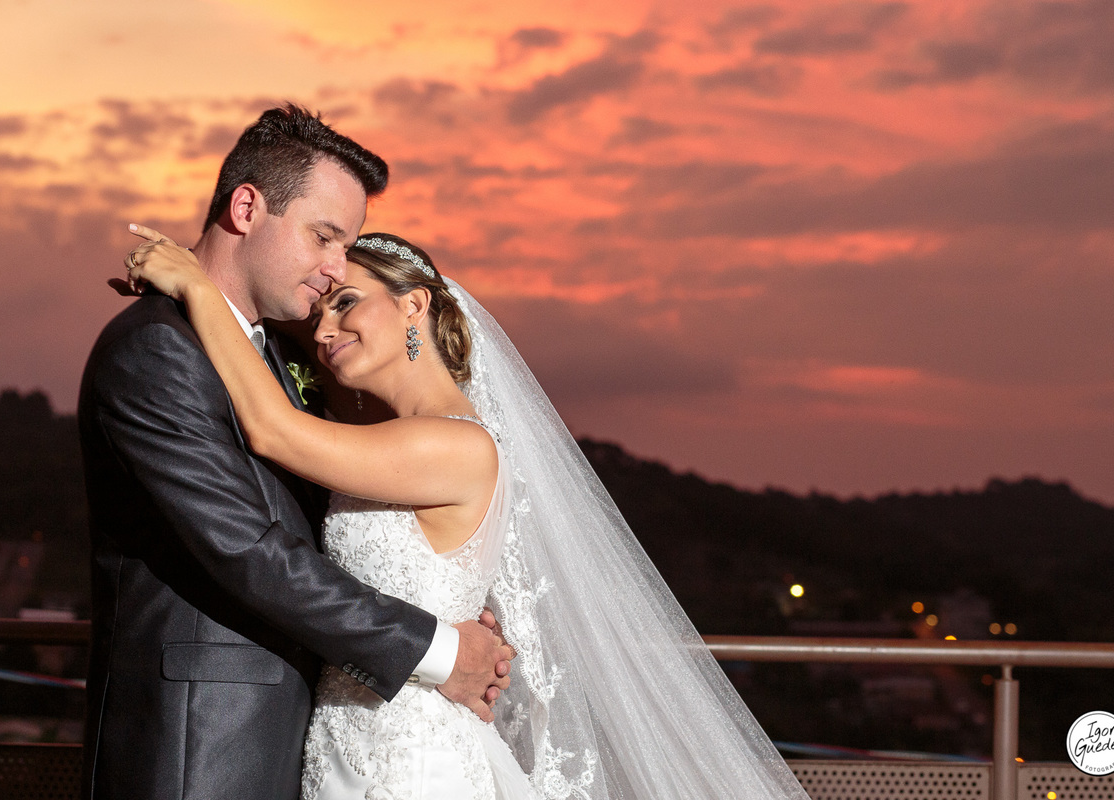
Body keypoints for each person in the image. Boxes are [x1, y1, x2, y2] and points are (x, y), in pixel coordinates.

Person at [122, 226, 814, 800]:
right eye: (320, 313)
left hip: (411, 760)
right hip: (347, 739)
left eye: (347, 303)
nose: (326, 328)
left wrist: (197, 286)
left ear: (414, 305)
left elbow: (274, 431)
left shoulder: (453, 444)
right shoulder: (392, 438)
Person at [77, 106, 512, 800]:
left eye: (347, 249)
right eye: (323, 236)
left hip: (315, 740)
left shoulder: (276, 359)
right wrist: (438, 647)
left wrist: (436, 607)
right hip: (201, 746)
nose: (333, 269)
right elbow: (248, 550)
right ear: (247, 208)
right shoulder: (157, 348)